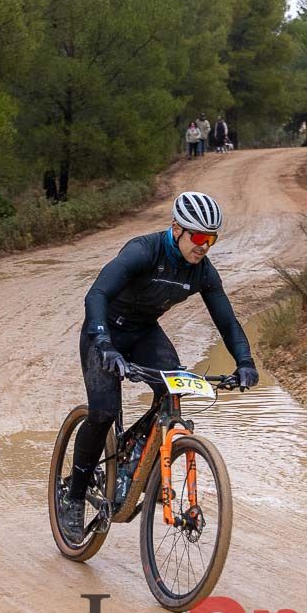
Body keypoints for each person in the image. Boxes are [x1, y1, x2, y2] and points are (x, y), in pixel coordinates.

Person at [58, 191, 259, 542]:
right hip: (104, 331)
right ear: (176, 229)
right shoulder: (143, 251)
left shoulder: (202, 271)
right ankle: (73, 496)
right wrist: (104, 344)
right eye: (197, 237)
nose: (204, 246)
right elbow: (96, 296)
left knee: (174, 387)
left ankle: (135, 453)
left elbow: (227, 321)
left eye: (211, 239)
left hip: (143, 333)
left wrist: (245, 361)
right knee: (104, 412)